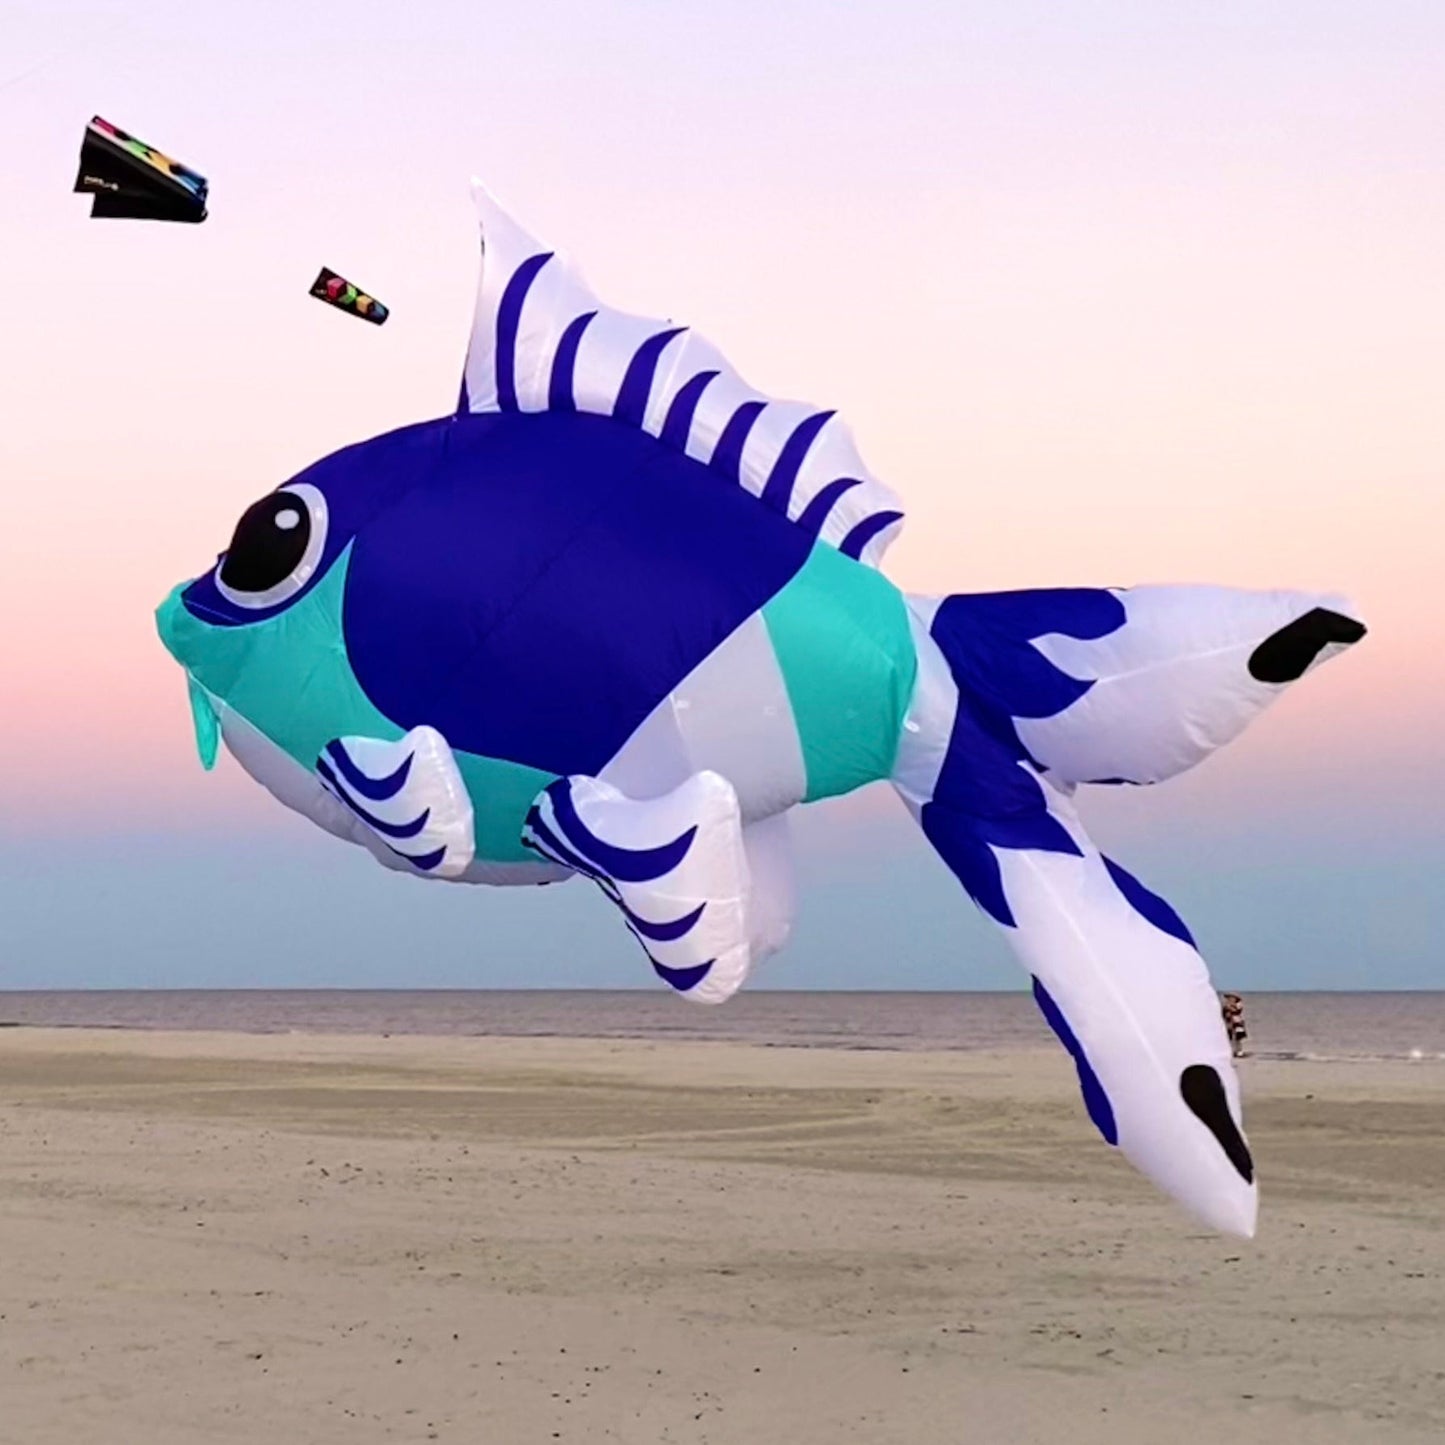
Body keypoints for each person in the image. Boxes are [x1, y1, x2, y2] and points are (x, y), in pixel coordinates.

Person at [1220, 992, 1248, 1058]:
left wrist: (1230, 1007)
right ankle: (1232, 1051)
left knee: (1238, 1038)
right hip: (1229, 1023)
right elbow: (1224, 1014)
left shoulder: (1238, 1004)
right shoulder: (1226, 1006)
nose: (1228, 999)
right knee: (1230, 1038)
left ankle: (1239, 1051)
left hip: (1237, 1022)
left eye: (1230, 998)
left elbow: (1237, 1011)